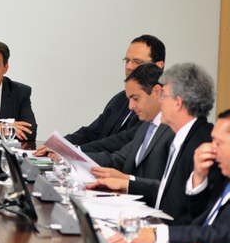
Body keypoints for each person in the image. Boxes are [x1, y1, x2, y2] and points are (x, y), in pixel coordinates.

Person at [92, 63, 219, 224]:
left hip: (170, 233)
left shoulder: (200, 142)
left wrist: (157, 234)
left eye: (163, 95)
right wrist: (127, 184)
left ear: (178, 102)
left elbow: (188, 207)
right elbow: (168, 191)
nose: (160, 101)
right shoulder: (182, 134)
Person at [111, 109, 230, 243]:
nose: (212, 149)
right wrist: (198, 176)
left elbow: (221, 234)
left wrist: (159, 235)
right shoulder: (224, 178)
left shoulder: (197, 138)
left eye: (219, 143)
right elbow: (197, 216)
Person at [35, 35, 165, 155]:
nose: (129, 66)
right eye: (127, 60)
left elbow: (125, 140)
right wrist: (60, 143)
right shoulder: (120, 98)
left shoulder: (159, 104)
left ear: (158, 66)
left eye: (137, 61)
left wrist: (74, 150)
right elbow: (92, 131)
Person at [87, 64, 174, 183]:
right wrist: (70, 156)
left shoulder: (173, 130)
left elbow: (167, 187)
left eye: (136, 99)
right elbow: (116, 160)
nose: (130, 106)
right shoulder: (145, 127)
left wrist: (128, 182)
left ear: (157, 92)